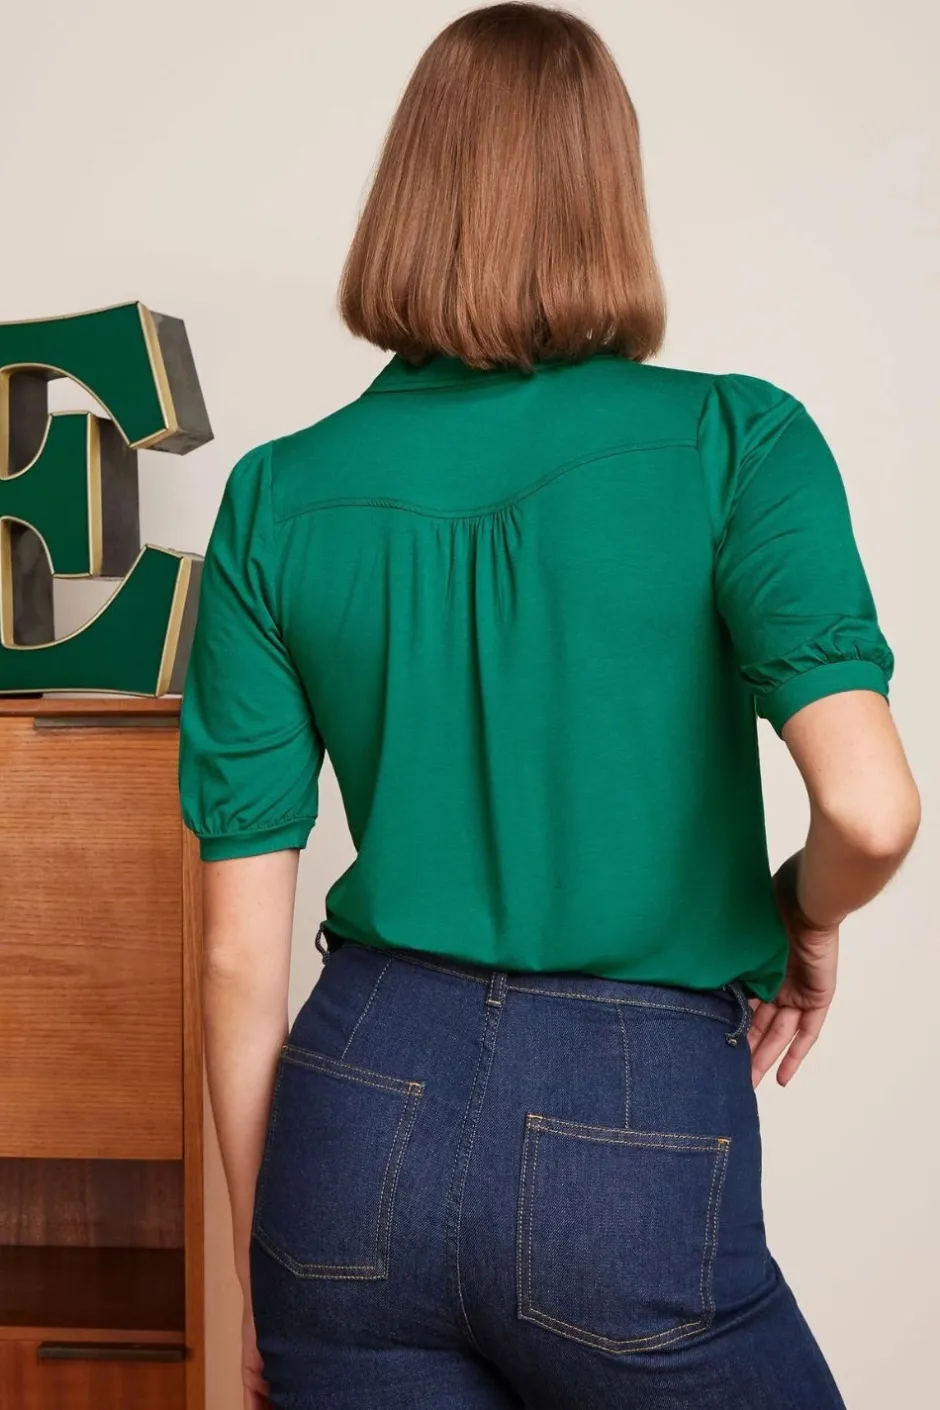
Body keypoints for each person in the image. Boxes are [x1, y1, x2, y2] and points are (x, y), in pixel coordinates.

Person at [177, 5, 921, 1407]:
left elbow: (234, 955)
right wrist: (805, 912)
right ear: (607, 191)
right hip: (629, 1120)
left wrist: (261, 1257)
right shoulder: (735, 441)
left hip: (351, 1115)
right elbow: (873, 811)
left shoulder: (276, 495)